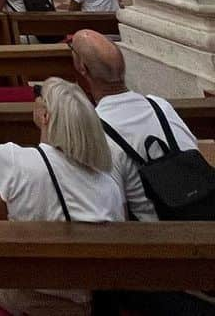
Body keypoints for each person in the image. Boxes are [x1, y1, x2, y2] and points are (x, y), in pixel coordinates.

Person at [0, 77, 126, 315]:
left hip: (29, 296)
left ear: (45, 116)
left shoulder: (12, 159)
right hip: (85, 303)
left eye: (39, 95)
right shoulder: (108, 183)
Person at [70, 28, 197, 221]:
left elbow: (112, 212)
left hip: (159, 239)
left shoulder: (95, 131)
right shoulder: (160, 105)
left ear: (82, 69)